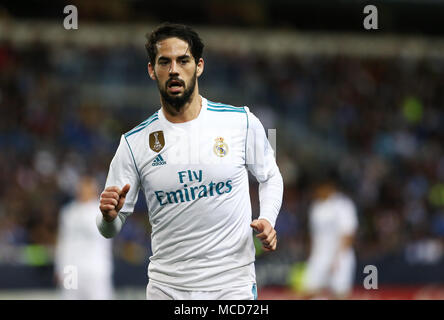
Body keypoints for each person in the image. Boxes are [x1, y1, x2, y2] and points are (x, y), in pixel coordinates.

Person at [97, 23, 283, 300]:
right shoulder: (133, 143)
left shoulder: (240, 121)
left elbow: (270, 176)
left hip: (231, 285)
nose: (174, 69)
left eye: (183, 60)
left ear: (199, 66)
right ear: (152, 70)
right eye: (164, 61)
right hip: (166, 288)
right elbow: (109, 230)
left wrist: (267, 218)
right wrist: (108, 217)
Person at [55, 175, 114, 300]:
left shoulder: (104, 210)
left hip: (96, 268)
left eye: (87, 188)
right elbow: (63, 242)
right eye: (81, 188)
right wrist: (60, 267)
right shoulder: (68, 212)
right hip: (70, 269)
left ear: (95, 190)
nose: (84, 191)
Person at [303, 173, 358, 299]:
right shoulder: (315, 207)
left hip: (339, 256)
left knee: (339, 295)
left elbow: (348, 234)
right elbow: (314, 236)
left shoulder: (343, 205)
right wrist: (312, 256)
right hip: (319, 256)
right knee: (309, 292)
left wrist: (338, 258)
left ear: (328, 187)